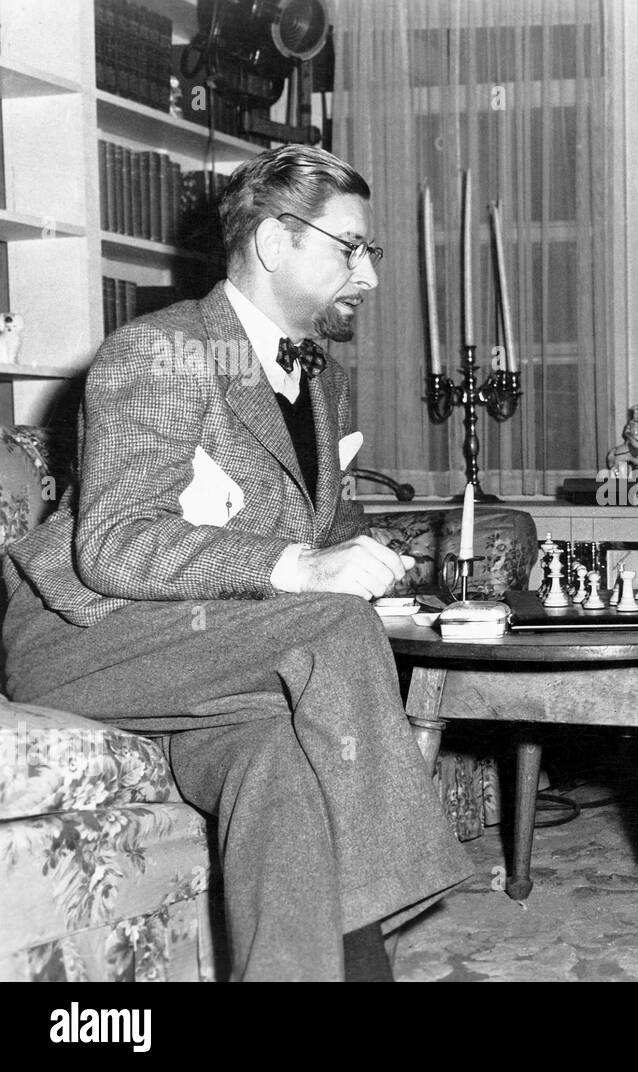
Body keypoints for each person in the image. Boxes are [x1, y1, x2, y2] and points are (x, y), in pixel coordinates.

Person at [2, 145, 471, 981]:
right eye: (351, 247)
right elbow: (112, 545)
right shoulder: (165, 350)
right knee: (332, 619)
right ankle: (393, 905)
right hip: (93, 645)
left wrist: (405, 579)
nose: (369, 275)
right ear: (273, 242)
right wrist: (300, 569)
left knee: (278, 768)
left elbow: (325, 527)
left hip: (217, 665)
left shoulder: (313, 381)